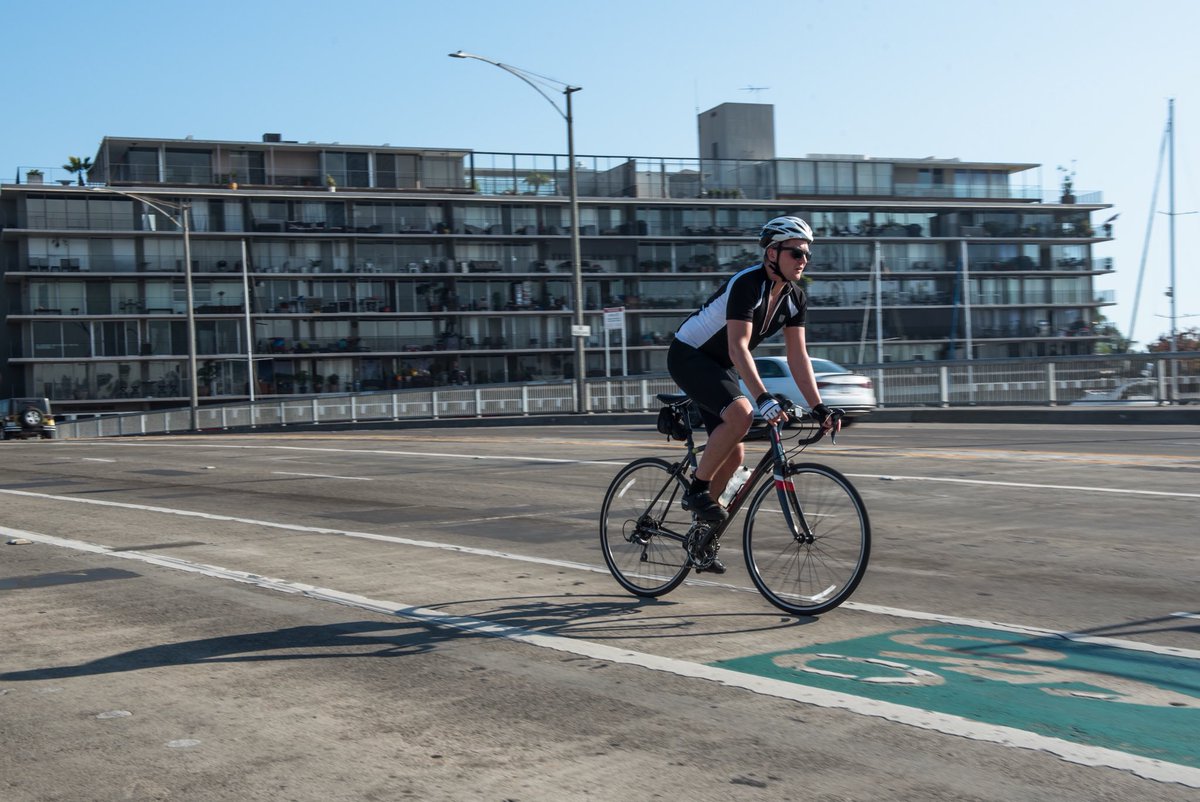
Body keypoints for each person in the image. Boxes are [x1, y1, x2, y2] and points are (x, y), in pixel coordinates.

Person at [667, 216, 841, 571]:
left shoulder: (795, 298)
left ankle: (700, 537)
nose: (803, 260)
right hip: (690, 355)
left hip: (720, 364)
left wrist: (819, 406)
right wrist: (763, 397)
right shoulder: (748, 284)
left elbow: (798, 357)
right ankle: (697, 491)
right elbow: (738, 347)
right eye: (796, 253)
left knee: (734, 455)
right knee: (743, 415)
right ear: (772, 252)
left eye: (806, 254)